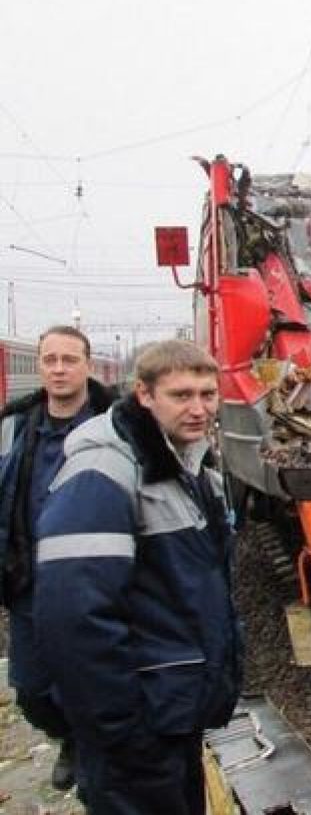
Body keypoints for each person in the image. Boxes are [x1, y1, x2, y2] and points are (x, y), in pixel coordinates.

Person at [33, 339, 241, 815]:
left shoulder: (185, 462)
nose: (198, 408)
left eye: (208, 395)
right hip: (138, 725)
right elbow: (73, 616)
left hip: (171, 712)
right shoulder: (104, 471)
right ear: (144, 395)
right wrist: (121, 727)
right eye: (181, 395)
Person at [0, 326, 116, 791]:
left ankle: (92, 751)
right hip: (29, 583)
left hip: (96, 585)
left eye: (69, 359)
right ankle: (67, 735)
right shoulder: (13, 427)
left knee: (95, 681)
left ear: (88, 365)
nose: (58, 369)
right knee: (31, 689)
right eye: (50, 360)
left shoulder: (117, 426)